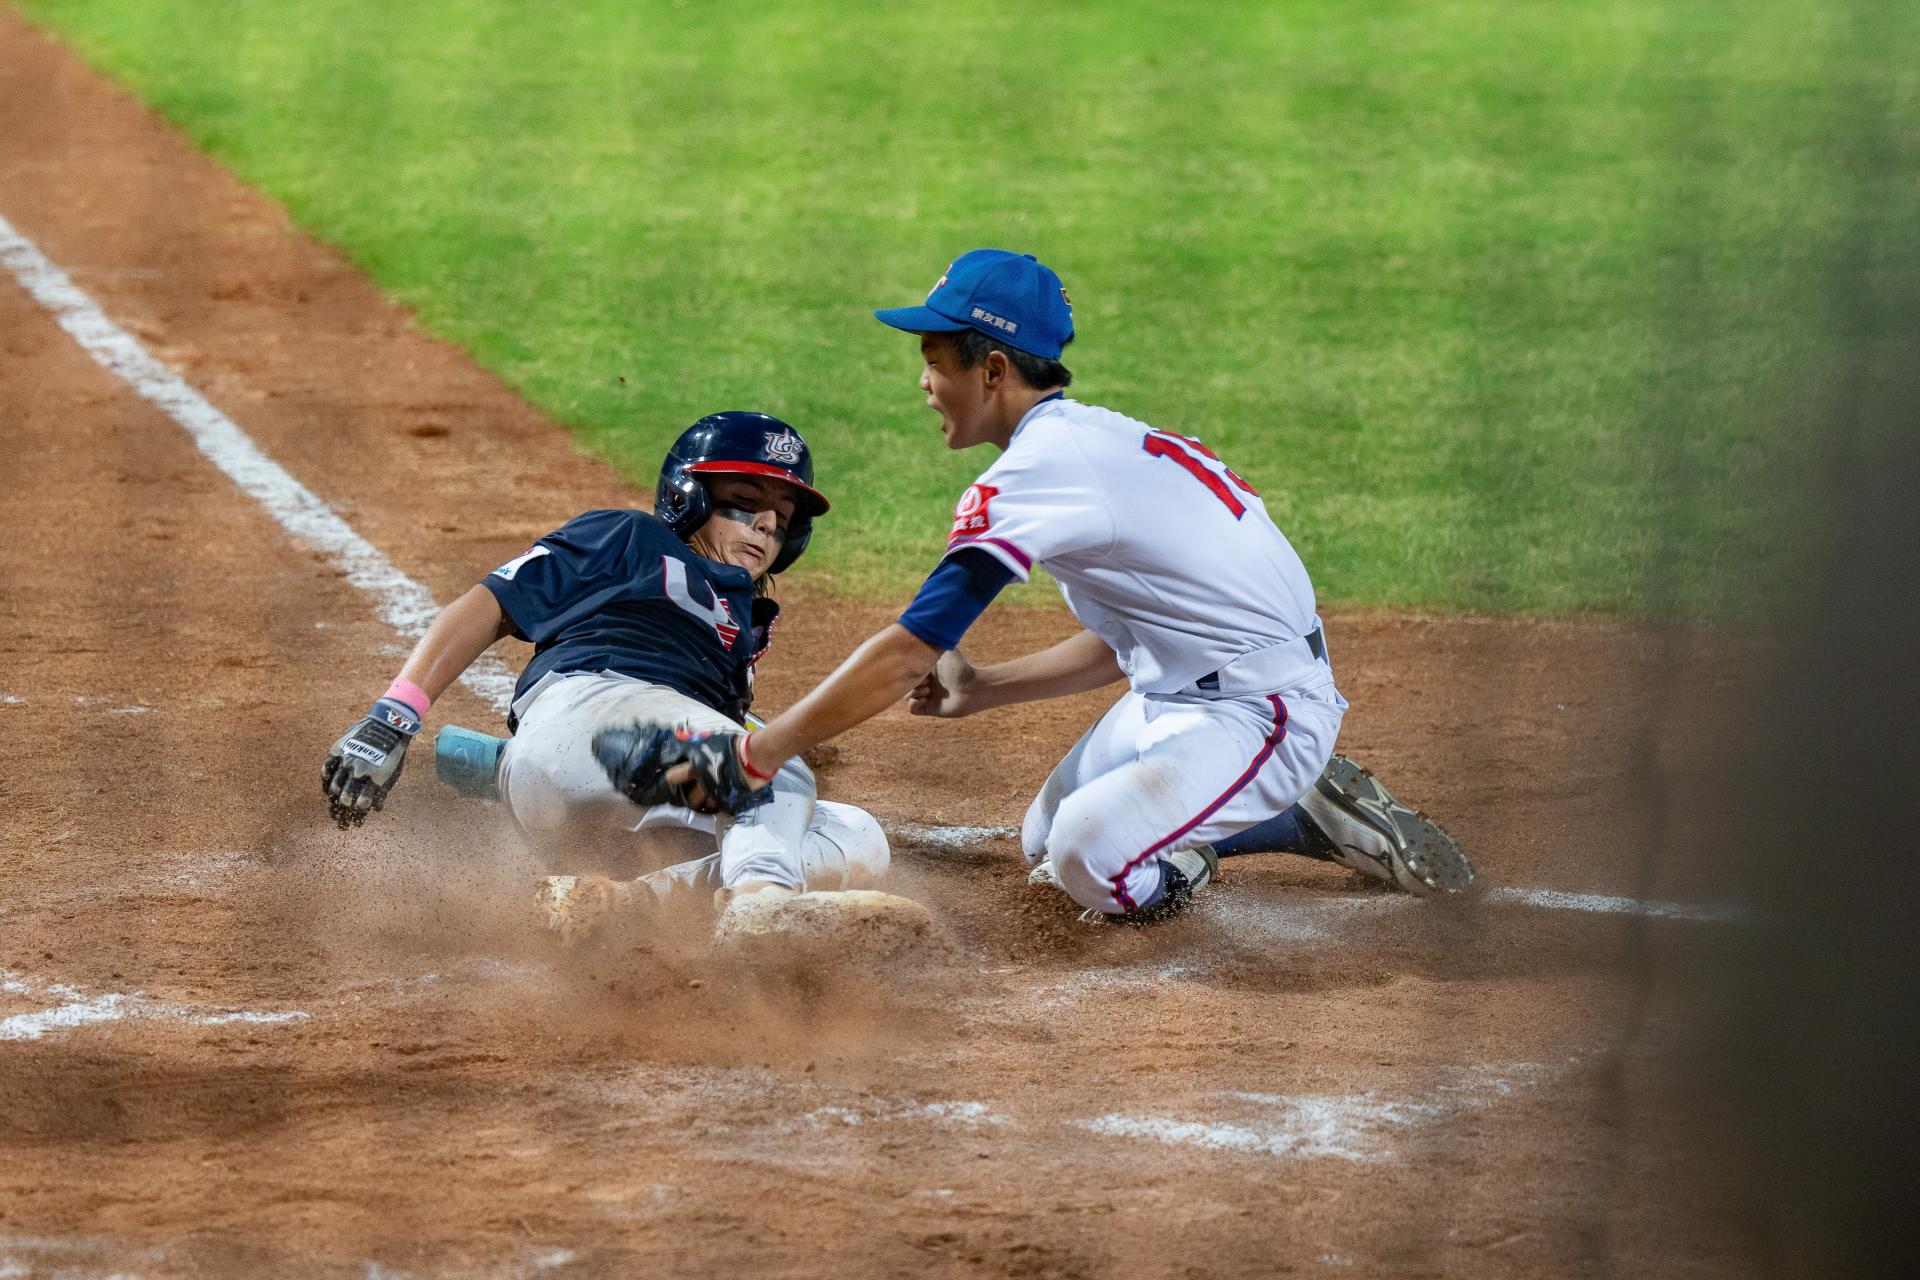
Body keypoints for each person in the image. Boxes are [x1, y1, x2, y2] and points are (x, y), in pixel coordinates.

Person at [604, 250, 1473, 925]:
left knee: (1090, 865)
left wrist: (757, 754)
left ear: (992, 372)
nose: (922, 381)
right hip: (1194, 688)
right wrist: (984, 691)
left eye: (934, 357)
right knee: (1041, 845)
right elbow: (1138, 633)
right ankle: (1255, 811)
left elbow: (909, 648)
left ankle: (1279, 815)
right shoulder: (1093, 449)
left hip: (1264, 709)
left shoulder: (1039, 476)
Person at [320, 411, 891, 939]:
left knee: (858, 836)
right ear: (686, 497)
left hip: (603, 816)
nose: (764, 526)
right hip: (590, 714)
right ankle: (758, 916)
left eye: (780, 520)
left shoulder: (739, 622)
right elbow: (491, 603)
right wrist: (390, 719)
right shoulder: (631, 539)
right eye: (743, 504)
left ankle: (624, 902)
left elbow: (693, 739)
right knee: (772, 771)